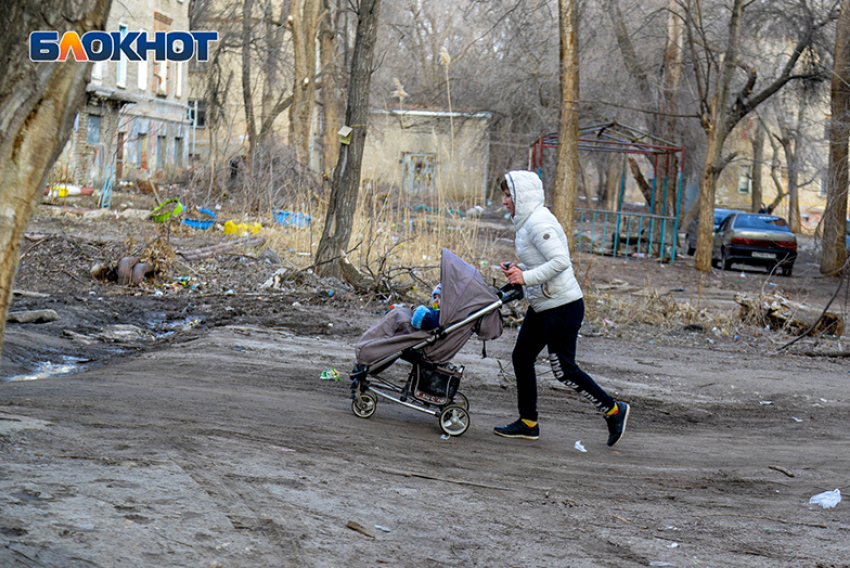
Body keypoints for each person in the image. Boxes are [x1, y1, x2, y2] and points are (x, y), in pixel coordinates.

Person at [494, 170, 630, 447]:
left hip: (562, 306)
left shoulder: (537, 222)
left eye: (509, 195)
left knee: (564, 370)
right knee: (522, 357)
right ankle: (528, 423)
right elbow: (543, 262)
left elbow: (560, 261)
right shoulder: (527, 222)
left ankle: (614, 410)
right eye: (504, 195)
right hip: (544, 303)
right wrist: (520, 269)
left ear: (522, 196)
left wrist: (526, 277)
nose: (504, 201)